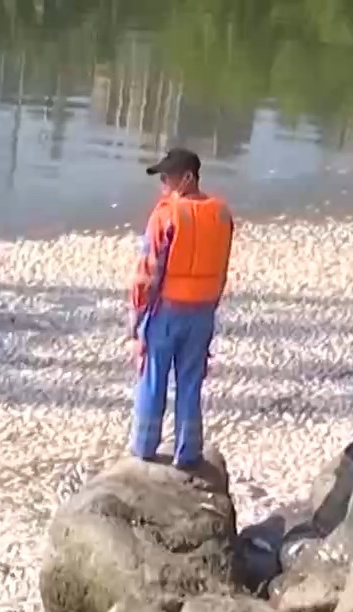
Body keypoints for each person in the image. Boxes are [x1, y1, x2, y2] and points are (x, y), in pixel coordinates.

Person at [127, 147, 235, 470]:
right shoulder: (222, 215)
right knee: (190, 383)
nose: (163, 183)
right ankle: (187, 452)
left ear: (187, 177)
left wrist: (135, 318)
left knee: (152, 378)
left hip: (167, 311)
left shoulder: (166, 215)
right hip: (202, 312)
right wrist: (212, 304)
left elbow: (147, 272)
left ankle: (144, 446)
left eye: (167, 177)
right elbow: (222, 268)